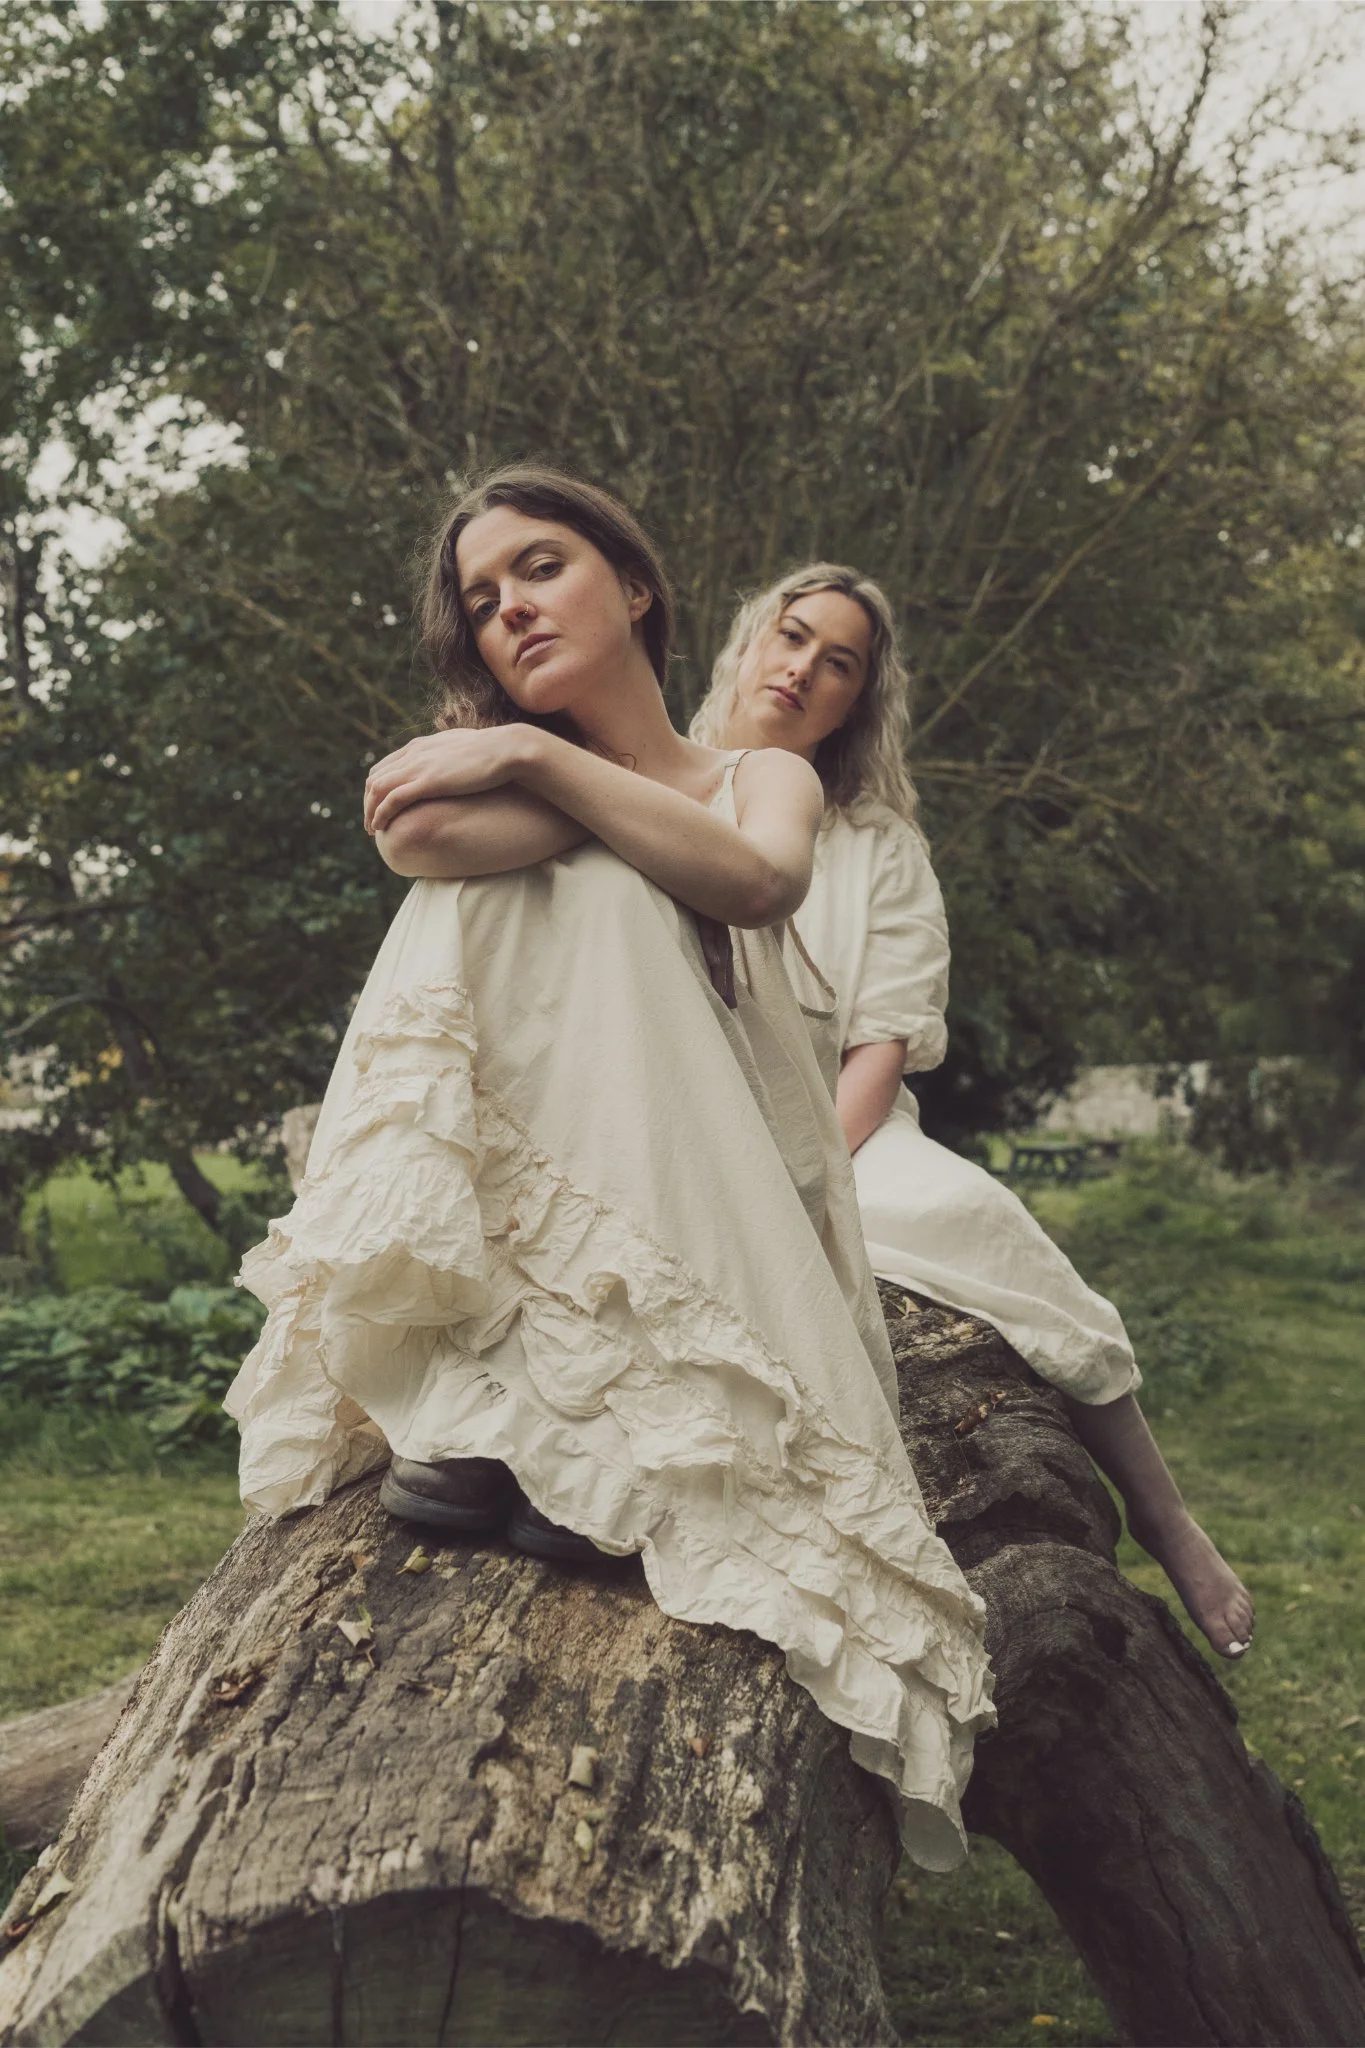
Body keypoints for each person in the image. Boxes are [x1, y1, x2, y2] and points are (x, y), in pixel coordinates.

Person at [225, 470, 994, 1872]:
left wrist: (540, 766)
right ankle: (501, 1388)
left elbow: (754, 878)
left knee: (595, 889)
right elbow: (412, 829)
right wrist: (564, 787)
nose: (509, 606)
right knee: (552, 887)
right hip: (568, 1162)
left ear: (632, 585)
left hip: (728, 1177)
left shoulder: (756, 774)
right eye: (480, 599)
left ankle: (624, 1416)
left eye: (539, 566)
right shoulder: (547, 772)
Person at [692, 562, 1255, 1662]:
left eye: (838, 661)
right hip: (686, 1119)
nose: (803, 667)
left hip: (847, 1133)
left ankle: (1167, 1516)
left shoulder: (880, 848)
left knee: (982, 1221)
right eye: (793, 636)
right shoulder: (652, 782)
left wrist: (802, 1177)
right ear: (751, 643)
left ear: (858, 698)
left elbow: (878, 1046)